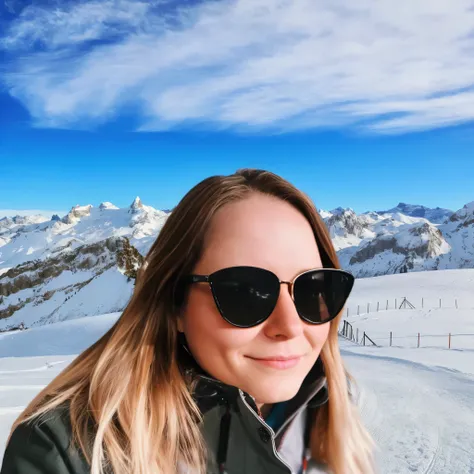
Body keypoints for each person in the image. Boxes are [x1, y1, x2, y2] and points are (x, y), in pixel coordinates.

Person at [1, 169, 374, 474]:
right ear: (175, 303)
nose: (290, 326)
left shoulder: (330, 416)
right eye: (245, 292)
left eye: (312, 289)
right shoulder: (67, 452)